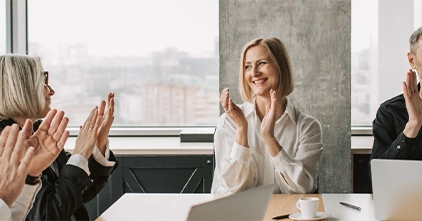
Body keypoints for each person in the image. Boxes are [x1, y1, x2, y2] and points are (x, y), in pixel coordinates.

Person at [0, 54, 118, 221]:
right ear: (22, 87)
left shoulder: (37, 130)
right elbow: (48, 214)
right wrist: (80, 154)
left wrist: (97, 144)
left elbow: (77, 193)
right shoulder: (6, 143)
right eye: (44, 82)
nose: (51, 91)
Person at [211, 37, 323, 194]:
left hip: (285, 216)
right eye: (248, 66)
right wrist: (242, 130)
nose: (254, 73)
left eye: (261, 63)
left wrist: (270, 139)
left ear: (281, 67)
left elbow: (303, 189)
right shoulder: (228, 122)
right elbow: (233, 188)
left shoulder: (308, 127)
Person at [369, 27, 422, 185]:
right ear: (412, 60)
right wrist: (413, 125)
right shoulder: (390, 112)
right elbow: (377, 181)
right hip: (405, 206)